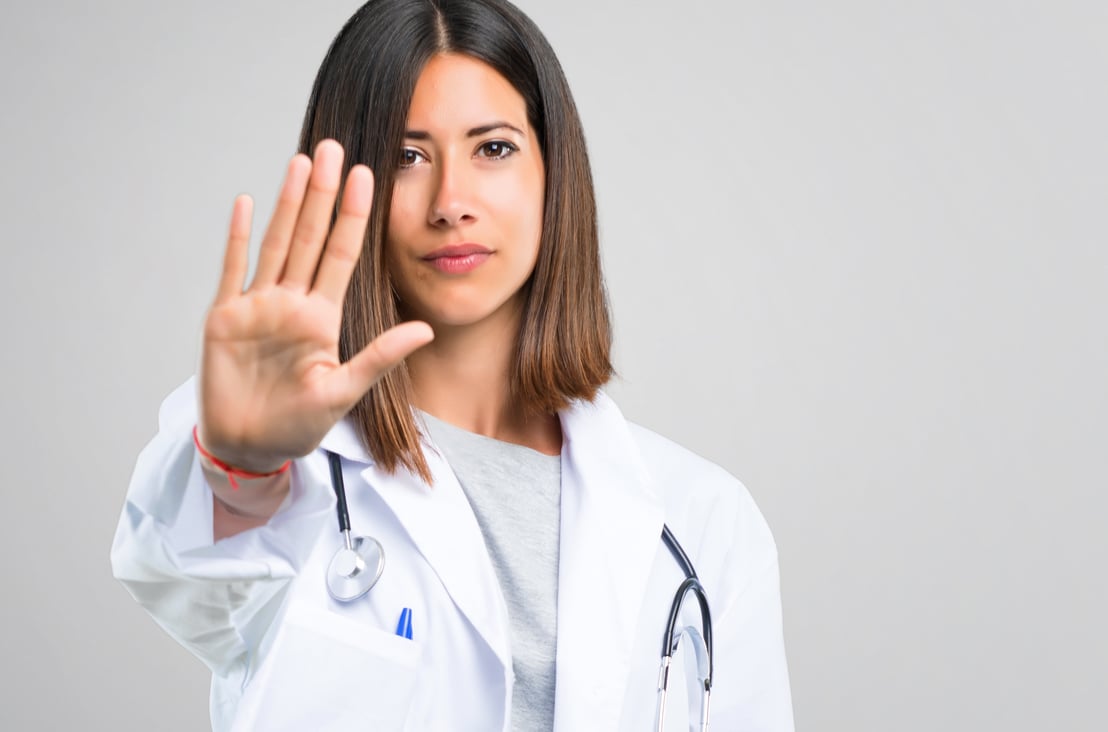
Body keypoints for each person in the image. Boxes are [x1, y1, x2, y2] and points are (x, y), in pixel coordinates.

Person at [111, 0, 794, 729]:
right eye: (407, 157)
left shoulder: (702, 521)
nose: (451, 202)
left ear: (552, 171)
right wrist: (240, 471)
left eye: (492, 148)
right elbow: (179, 574)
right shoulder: (293, 470)